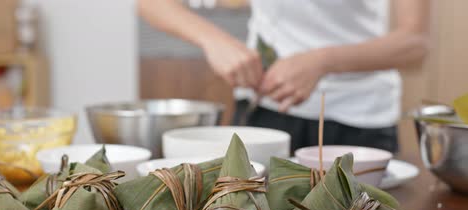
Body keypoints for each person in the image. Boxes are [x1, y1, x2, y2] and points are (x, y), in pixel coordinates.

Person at [138, 0, 430, 153]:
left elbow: (415, 44)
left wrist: (322, 61)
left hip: (357, 119)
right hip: (264, 111)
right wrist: (212, 40)